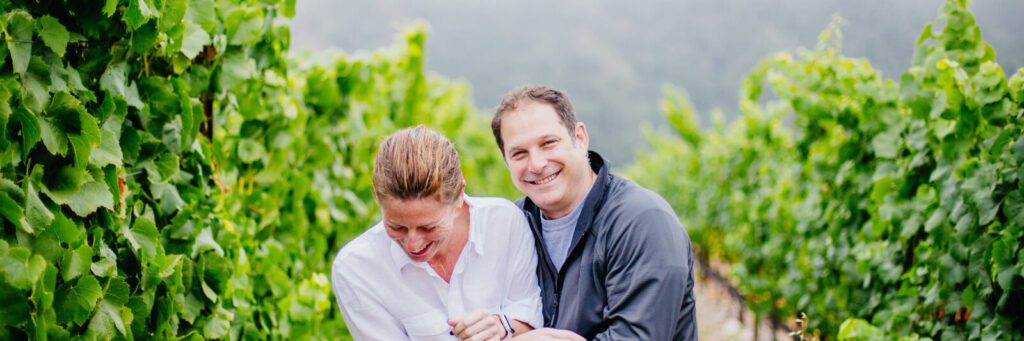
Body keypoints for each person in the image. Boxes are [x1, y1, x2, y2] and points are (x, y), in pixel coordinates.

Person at [489, 85, 698, 340]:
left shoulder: (642, 221)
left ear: (580, 137)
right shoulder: (512, 225)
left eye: (549, 143)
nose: (537, 164)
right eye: (519, 153)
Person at [331, 126, 545, 340]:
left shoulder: (504, 223)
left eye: (429, 227)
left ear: (459, 194)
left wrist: (502, 326)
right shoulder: (356, 269)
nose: (413, 244)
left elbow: (531, 319)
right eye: (397, 227)